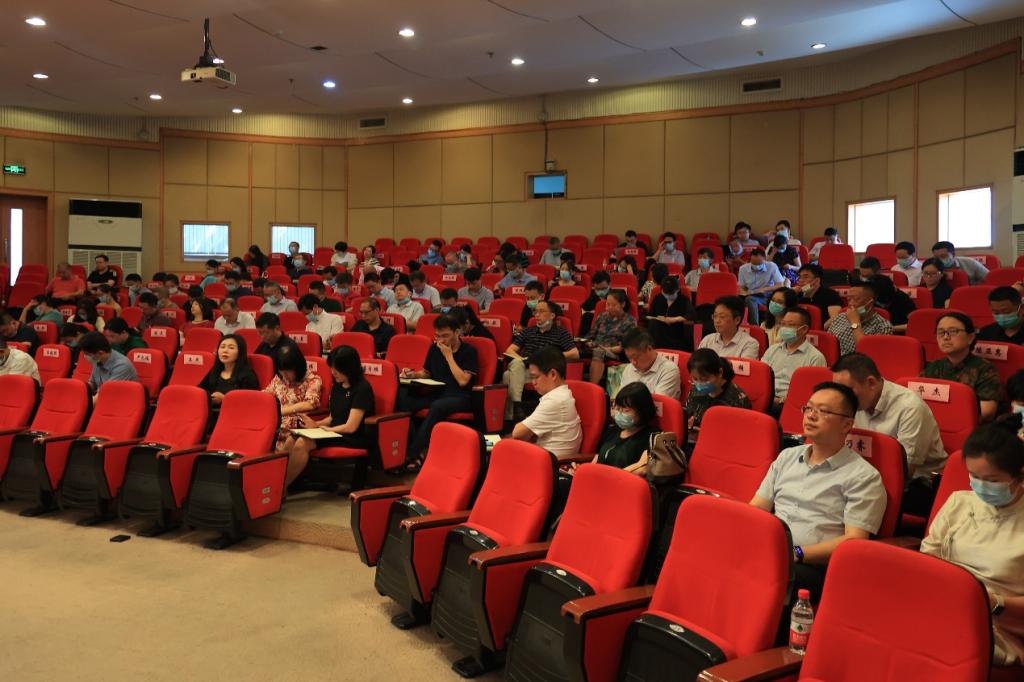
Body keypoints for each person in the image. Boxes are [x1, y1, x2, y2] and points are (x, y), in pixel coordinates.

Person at [750, 382, 886, 599]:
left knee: (757, 572)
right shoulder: (787, 457)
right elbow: (757, 507)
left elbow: (854, 541)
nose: (811, 416)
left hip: (815, 567)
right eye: (809, 408)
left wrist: (796, 553)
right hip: (771, 551)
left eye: (823, 411)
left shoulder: (863, 476)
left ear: (846, 424)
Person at [920, 420, 1024, 667]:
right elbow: (927, 559)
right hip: (945, 603)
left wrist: (995, 603)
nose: (981, 486)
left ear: (1020, 475)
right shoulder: (960, 502)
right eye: (975, 477)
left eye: (992, 480)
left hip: (999, 624)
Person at [832, 353, 946, 514]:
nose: (842, 398)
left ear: (871, 383)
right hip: (867, 475)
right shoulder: (854, 402)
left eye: (847, 391)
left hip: (918, 484)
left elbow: (905, 472)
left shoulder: (910, 408)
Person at [284, 346, 376, 486]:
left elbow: (351, 427)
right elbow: (332, 418)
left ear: (349, 368)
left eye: (336, 369)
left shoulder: (362, 388)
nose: (333, 372)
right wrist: (315, 424)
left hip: (352, 437)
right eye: (332, 368)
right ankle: (282, 482)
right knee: (291, 439)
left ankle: (282, 487)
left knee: (303, 443)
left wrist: (325, 430)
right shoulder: (338, 385)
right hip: (334, 432)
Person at [398, 315, 479, 470]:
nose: (441, 340)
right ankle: (415, 449)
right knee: (404, 402)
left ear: (457, 332)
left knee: (437, 406)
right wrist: (412, 374)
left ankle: (412, 454)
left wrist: (449, 356)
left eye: (445, 336)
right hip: (437, 392)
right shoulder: (434, 348)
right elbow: (426, 373)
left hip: (460, 396)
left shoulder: (469, 351)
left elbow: (463, 381)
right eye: (437, 336)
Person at [503, 300, 579, 421]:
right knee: (516, 364)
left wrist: (551, 356)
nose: (537, 315)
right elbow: (510, 350)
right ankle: (517, 409)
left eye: (542, 311)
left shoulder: (561, 333)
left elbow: (575, 353)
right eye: (536, 312)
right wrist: (522, 359)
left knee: (507, 376)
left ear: (552, 315)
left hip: (545, 372)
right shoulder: (528, 331)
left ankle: (511, 417)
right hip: (526, 369)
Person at [921, 312, 1001, 422]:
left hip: (969, 427)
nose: (945, 337)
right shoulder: (933, 367)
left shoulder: (985, 369)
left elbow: (986, 412)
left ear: (970, 337)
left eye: (953, 331)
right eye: (940, 332)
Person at [511, 346, 583, 458]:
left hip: (551, 464)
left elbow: (517, 433)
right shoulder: (562, 394)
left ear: (553, 374)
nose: (533, 382)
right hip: (544, 457)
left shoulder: (555, 400)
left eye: (535, 377)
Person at [761, 307, 827, 406]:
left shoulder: (815, 357)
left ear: (804, 329)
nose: (784, 328)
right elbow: (761, 378)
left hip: (791, 404)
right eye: (783, 324)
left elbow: (812, 393)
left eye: (790, 325)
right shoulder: (772, 350)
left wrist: (780, 400)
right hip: (765, 398)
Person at [265, 344, 322, 451]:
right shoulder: (279, 379)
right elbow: (265, 396)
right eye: (281, 371)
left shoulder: (312, 380)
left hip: (293, 428)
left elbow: (310, 404)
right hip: (272, 426)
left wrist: (280, 412)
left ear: (297, 367)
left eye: (287, 371)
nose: (284, 375)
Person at [684, 348, 752, 430]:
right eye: (695, 379)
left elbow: (740, 431)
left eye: (704, 379)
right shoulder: (695, 391)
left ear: (720, 373)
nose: (699, 384)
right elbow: (689, 414)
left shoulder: (736, 400)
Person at [594, 382, 656, 469]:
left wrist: (608, 476)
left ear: (642, 411)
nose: (620, 413)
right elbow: (596, 460)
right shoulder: (611, 430)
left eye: (626, 410)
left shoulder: (652, 437)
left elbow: (642, 468)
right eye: (618, 408)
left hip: (624, 477)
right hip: (598, 475)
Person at [583, 289, 636, 384]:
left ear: (623, 304)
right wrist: (588, 342)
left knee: (599, 352)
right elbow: (591, 335)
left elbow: (623, 347)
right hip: (595, 347)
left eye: (614, 305)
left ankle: (592, 387)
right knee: (571, 350)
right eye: (607, 304)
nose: (609, 308)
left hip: (613, 352)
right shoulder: (602, 316)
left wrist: (606, 349)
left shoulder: (630, 321)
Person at [828, 280, 892, 357]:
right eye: (849, 299)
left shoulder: (883, 327)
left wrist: (854, 322)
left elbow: (867, 353)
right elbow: (827, 345)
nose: (851, 304)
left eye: (856, 299)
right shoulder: (840, 318)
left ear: (870, 302)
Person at [619, 328, 681, 399]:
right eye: (629, 358)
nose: (633, 363)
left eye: (636, 357)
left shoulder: (669, 370)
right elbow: (621, 400)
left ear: (649, 349)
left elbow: (658, 404)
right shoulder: (629, 368)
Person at [200, 334, 260, 406]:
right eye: (222, 347)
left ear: (240, 352)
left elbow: (251, 402)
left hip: (235, 411)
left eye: (231, 348)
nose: (225, 351)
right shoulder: (215, 371)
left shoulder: (247, 375)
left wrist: (225, 399)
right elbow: (200, 391)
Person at [79, 330, 139, 394]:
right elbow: (93, 384)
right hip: (103, 395)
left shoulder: (122, 365)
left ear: (100, 353)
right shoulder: (98, 360)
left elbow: (107, 392)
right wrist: (81, 389)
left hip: (120, 398)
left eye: (87, 354)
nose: (85, 356)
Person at [737, 248, 785, 324]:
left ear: (765, 259)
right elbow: (741, 287)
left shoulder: (771, 266)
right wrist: (745, 292)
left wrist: (764, 289)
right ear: (750, 260)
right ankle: (750, 325)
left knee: (750, 299)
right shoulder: (743, 269)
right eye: (754, 263)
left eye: (759, 263)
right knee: (745, 299)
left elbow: (780, 285)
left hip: (768, 295)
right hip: (752, 295)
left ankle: (754, 325)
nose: (756, 266)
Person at [648, 275, 694, 351]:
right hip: (658, 333)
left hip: (676, 334)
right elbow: (651, 315)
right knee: (653, 324)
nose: (668, 296)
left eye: (671, 294)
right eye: (665, 293)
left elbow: (692, 315)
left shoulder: (683, 300)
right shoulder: (658, 298)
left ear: (678, 290)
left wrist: (674, 319)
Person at [798, 264, 843, 328]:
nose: (801, 280)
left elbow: (835, 318)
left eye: (806, 277)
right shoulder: (798, 294)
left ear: (817, 280)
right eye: (800, 277)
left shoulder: (831, 295)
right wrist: (805, 296)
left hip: (822, 330)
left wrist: (819, 330)